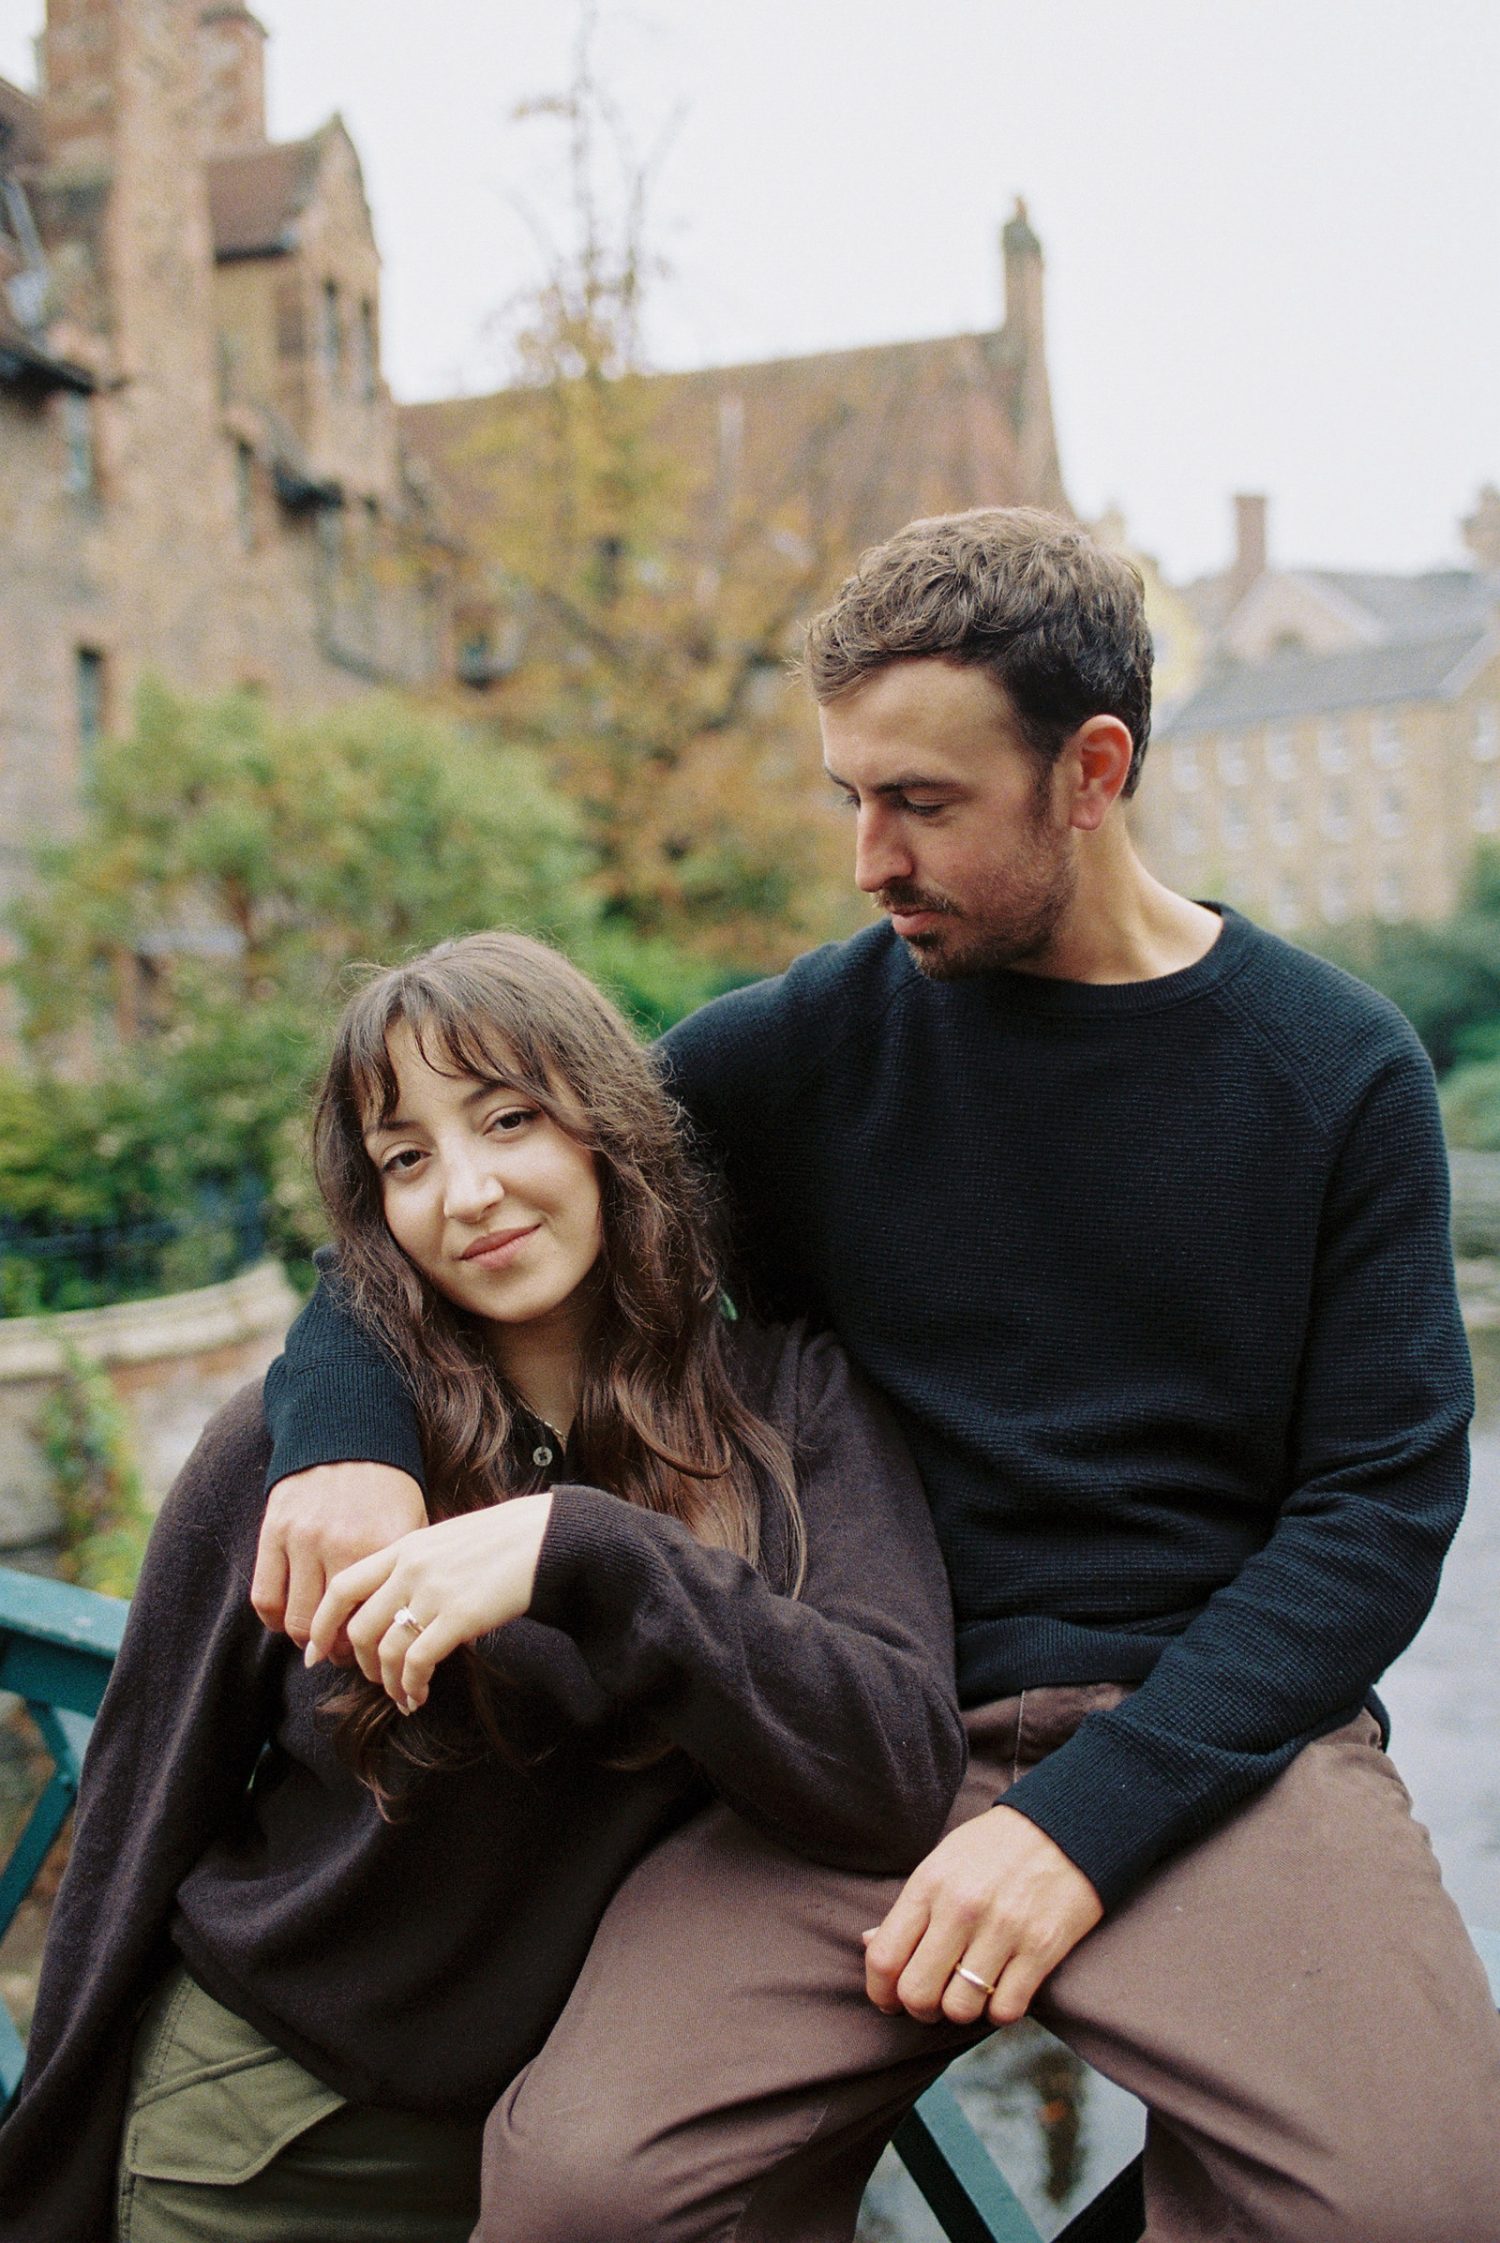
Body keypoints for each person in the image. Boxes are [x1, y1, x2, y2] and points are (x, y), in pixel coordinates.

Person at [251, 509, 1500, 2243]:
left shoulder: (1336, 1071)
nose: (867, 858)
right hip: (872, 1741)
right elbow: (451, 1221)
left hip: (1223, 1747)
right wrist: (344, 1446)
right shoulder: (800, 1049)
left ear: (1092, 770)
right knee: (580, 2199)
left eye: (919, 802)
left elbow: (1378, 1514)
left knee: (1419, 2208)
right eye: (847, 795)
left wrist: (1084, 1823)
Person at [0, 933, 965, 2243]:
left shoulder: (798, 1409)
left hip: (608, 2168)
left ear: (605, 1129)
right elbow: (135, 1805)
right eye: (407, 1159)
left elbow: (894, 1766)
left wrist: (588, 1553)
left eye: (509, 1119)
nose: (466, 1191)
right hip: (272, 2137)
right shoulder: (306, 1456)